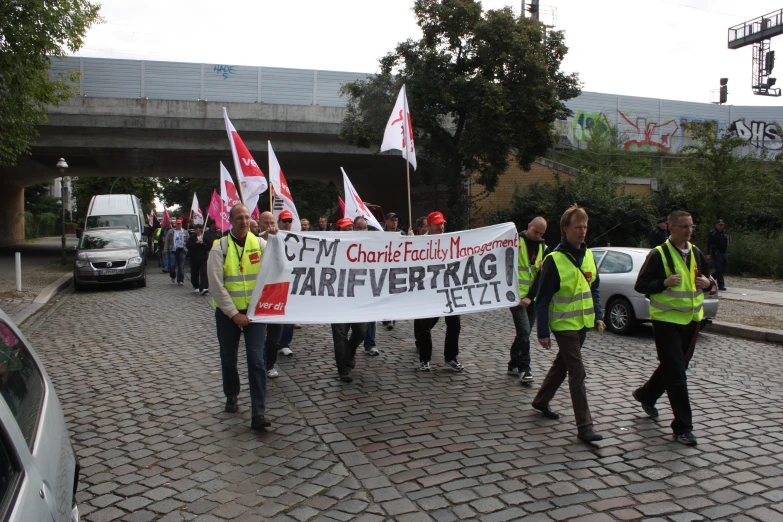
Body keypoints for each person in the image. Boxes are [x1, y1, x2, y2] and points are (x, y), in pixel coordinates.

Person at [633, 210, 712, 446]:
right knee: (677, 373)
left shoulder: (696, 252)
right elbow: (641, 285)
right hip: (666, 322)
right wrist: (663, 283)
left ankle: (646, 395)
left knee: (675, 366)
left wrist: (709, 283)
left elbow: (708, 280)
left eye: (691, 226)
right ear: (671, 228)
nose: (689, 230)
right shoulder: (659, 255)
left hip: (691, 321)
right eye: (684, 226)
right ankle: (683, 427)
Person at [532, 204, 605, 443]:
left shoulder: (590, 255)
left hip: (582, 323)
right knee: (577, 372)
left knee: (562, 366)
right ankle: (585, 427)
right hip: (563, 325)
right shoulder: (554, 260)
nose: (582, 232)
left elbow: (594, 287)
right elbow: (541, 299)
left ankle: (541, 400)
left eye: (585, 227)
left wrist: (599, 315)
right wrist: (543, 331)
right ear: (565, 229)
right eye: (577, 227)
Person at [207, 204, 276, 430]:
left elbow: (275, 271)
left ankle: (259, 412)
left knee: (256, 361)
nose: (244, 221)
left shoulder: (260, 244)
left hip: (255, 314)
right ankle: (232, 394)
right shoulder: (220, 248)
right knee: (229, 358)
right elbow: (217, 286)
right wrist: (234, 313)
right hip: (228, 315)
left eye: (247, 217)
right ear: (231, 220)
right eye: (239, 218)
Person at [414, 211, 463, 372]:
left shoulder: (451, 241)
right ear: (429, 225)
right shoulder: (420, 243)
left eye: (442, 224)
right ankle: (424, 358)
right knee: (424, 326)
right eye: (437, 224)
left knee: (454, 324)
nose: (441, 227)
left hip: (448, 289)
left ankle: (451, 357)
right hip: (428, 291)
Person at [509, 217, 548, 384]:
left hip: (532, 299)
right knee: (524, 332)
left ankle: (513, 363)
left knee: (523, 334)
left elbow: (541, 276)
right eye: (535, 231)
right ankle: (525, 369)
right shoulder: (514, 242)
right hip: (516, 298)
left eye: (541, 233)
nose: (537, 235)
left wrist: (530, 297)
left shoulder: (544, 249)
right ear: (528, 226)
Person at [331, 217, 369, 382]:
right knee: (340, 334)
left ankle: (351, 351)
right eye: (344, 229)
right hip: (337, 298)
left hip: (358, 297)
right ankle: (343, 369)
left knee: (361, 331)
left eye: (350, 229)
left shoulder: (364, 246)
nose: (348, 232)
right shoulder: (329, 247)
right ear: (338, 231)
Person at [275, 210, 297, 358]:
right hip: (276, 282)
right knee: (276, 316)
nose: (287, 224)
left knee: (289, 315)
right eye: (284, 221)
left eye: (289, 221)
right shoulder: (273, 237)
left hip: (291, 281)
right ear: (279, 222)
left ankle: (284, 344)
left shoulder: (297, 239)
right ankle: (274, 343)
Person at [706, 219, 730, 291]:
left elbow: (728, 240)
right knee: (719, 268)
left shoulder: (725, 232)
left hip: (723, 252)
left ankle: (712, 277)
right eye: (719, 225)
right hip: (716, 252)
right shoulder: (713, 233)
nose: (721, 226)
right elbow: (708, 244)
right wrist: (708, 253)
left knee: (724, 267)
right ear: (716, 225)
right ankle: (721, 285)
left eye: (722, 225)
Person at [187, 224, 210, 295]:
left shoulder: (205, 237)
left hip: (203, 258)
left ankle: (204, 287)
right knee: (194, 273)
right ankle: (196, 286)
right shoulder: (192, 237)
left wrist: (203, 243)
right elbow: (189, 245)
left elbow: (208, 246)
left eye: (198, 228)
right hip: (194, 258)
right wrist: (196, 243)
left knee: (204, 273)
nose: (196, 230)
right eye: (195, 228)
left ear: (201, 229)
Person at [165, 219, 188, 285]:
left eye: (180, 224)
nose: (178, 225)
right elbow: (167, 241)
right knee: (172, 265)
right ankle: (173, 275)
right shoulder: (171, 231)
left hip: (182, 250)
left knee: (181, 266)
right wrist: (165, 249)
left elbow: (188, 241)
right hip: (173, 250)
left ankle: (180, 280)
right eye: (177, 224)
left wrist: (187, 249)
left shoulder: (185, 232)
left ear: (181, 224)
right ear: (175, 224)